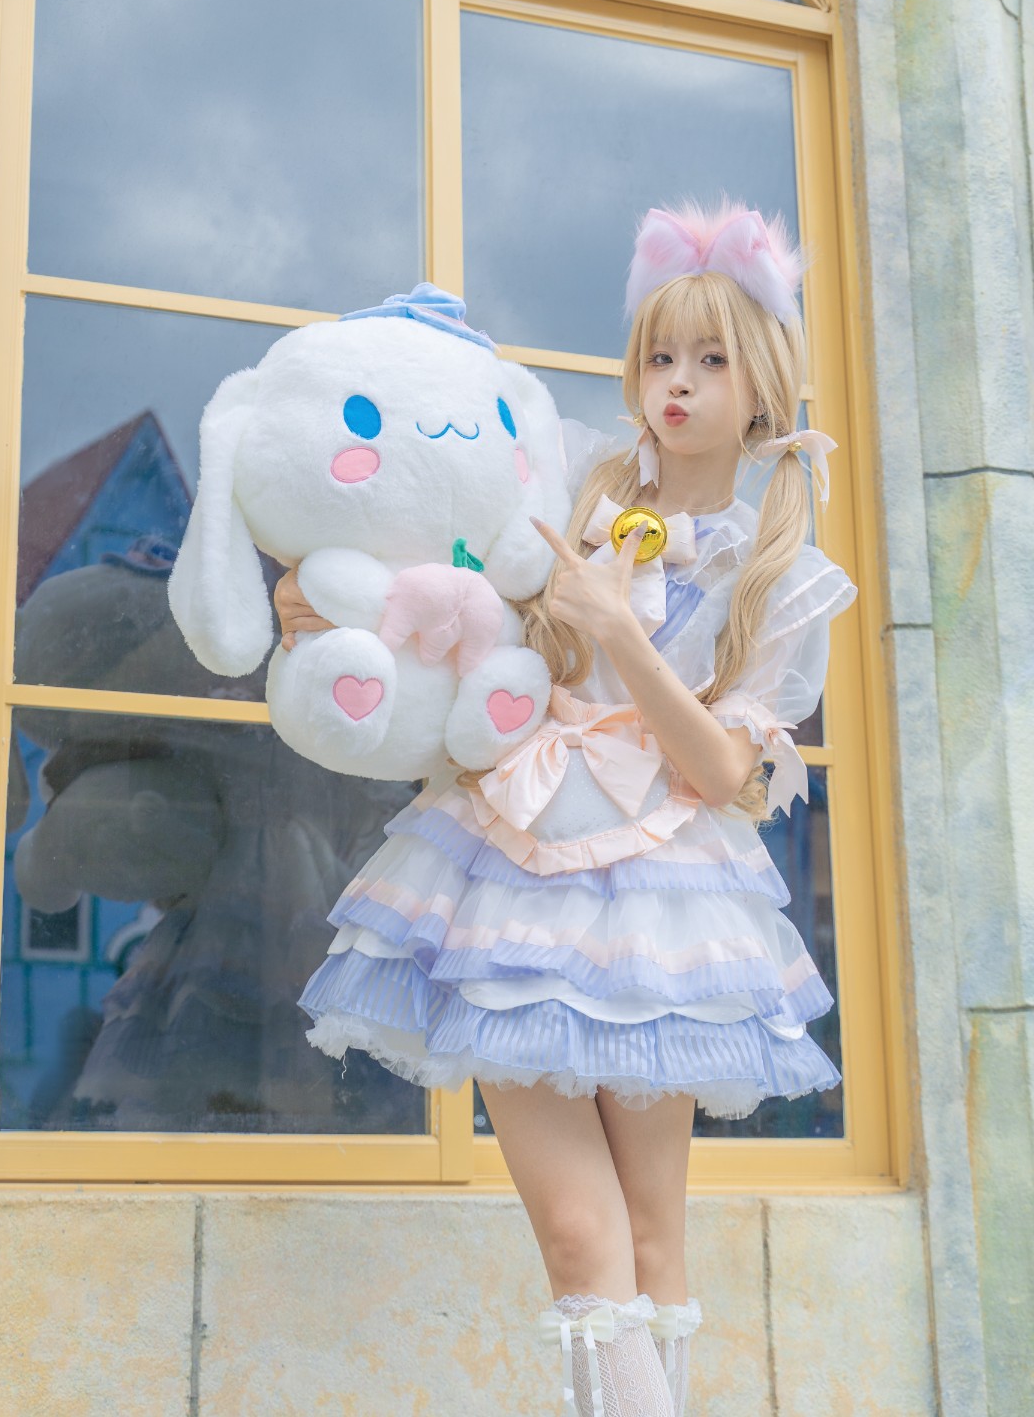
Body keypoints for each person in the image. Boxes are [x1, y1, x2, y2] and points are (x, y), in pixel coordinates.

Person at [275, 202, 857, 1416]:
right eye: (660, 355)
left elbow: (725, 775)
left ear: (764, 386)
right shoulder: (569, 478)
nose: (677, 383)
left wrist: (618, 634)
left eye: (711, 359)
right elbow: (444, 566)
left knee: (653, 1243)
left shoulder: (783, 575)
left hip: (664, 900)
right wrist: (333, 604)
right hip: (511, 874)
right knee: (583, 1241)